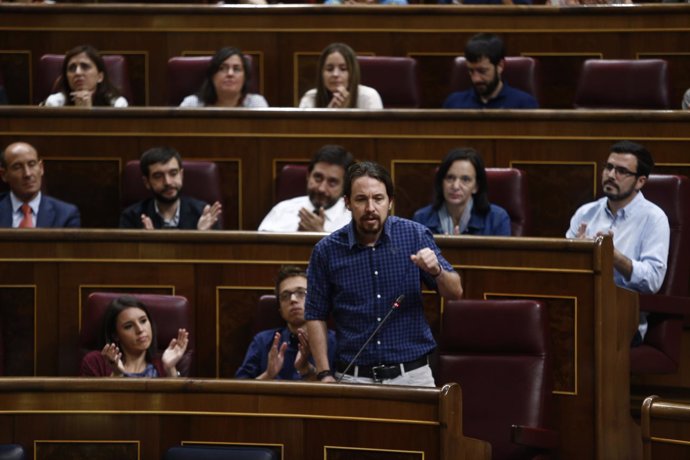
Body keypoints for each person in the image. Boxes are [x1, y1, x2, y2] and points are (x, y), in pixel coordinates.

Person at [305, 161, 463, 387]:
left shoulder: (415, 235)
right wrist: (324, 374)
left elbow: (455, 292)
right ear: (348, 203)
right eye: (361, 199)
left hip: (412, 374)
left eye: (378, 198)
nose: (370, 207)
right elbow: (315, 314)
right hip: (353, 377)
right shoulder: (326, 251)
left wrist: (437, 270)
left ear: (390, 202)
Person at [566, 140, 669, 346]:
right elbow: (563, 271)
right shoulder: (585, 213)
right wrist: (576, 256)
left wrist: (614, 257)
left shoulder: (654, 218)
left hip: (623, 322)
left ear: (640, 181)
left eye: (622, 171)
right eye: (609, 167)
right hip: (579, 313)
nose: (611, 175)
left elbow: (652, 281)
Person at [235, 265, 336, 380]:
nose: (293, 299)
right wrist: (268, 375)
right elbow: (239, 390)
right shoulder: (262, 342)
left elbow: (342, 391)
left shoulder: (334, 342)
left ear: (314, 300)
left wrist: (308, 371)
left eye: (301, 293)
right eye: (285, 296)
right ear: (280, 310)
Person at [80, 295, 189, 377]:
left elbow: (178, 404)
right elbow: (96, 404)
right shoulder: (96, 362)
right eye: (128, 326)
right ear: (115, 335)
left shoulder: (163, 364)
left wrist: (170, 369)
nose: (140, 330)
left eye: (143, 321)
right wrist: (117, 374)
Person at [413, 147, 511, 236]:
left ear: (476, 186)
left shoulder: (497, 219)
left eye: (465, 179)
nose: (455, 186)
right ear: (441, 182)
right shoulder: (421, 219)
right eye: (450, 178)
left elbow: (502, 256)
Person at [119, 146, 222, 230]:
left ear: (181, 175)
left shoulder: (204, 214)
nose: (167, 182)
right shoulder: (131, 217)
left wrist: (202, 236)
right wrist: (147, 242)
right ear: (147, 182)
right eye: (158, 176)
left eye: (173, 173)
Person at [258, 145, 354, 232]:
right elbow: (259, 249)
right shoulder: (282, 210)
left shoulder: (354, 219)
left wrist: (320, 235)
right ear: (308, 176)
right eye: (318, 178)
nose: (321, 189)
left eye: (332, 182)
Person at [443, 33, 538, 109]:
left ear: (500, 66)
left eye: (482, 71)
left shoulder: (524, 104)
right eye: (471, 71)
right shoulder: (453, 103)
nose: (476, 79)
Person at [0, 142, 80, 228]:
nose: (27, 174)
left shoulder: (65, 214)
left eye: (32, 164)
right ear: (4, 175)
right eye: (17, 167)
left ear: (41, 168)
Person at [299, 43, 383, 109]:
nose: (335, 74)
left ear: (352, 73)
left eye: (343, 69)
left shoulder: (369, 97)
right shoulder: (310, 98)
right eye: (329, 69)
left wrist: (347, 113)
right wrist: (330, 113)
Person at [179, 47, 269, 108]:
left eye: (236, 69)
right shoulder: (192, 104)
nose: (230, 74)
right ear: (212, 75)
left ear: (245, 77)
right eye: (222, 68)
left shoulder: (255, 104)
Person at [42, 45, 128, 108]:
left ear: (100, 77)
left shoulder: (117, 104)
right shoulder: (54, 103)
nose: (77, 72)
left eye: (85, 66)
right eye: (72, 68)